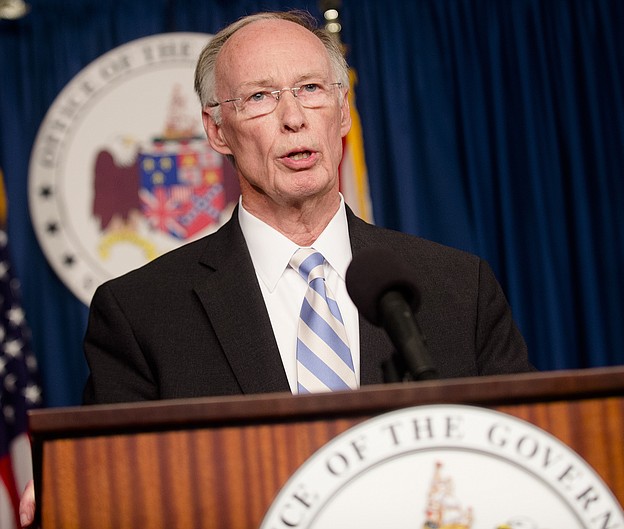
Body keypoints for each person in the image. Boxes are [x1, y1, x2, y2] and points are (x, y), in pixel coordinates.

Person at [21, 9, 530, 525]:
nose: (293, 117)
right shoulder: (141, 312)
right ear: (217, 131)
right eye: (260, 97)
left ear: (343, 112)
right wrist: (72, 483)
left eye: (310, 88)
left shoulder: (457, 287)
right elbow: (114, 485)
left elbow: (527, 462)